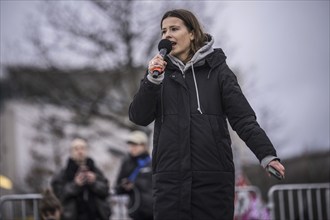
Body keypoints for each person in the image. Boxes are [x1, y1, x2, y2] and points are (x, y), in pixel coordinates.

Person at [128, 9, 286, 220]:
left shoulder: (218, 70)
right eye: (163, 31)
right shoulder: (157, 76)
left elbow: (243, 118)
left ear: (192, 33)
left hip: (212, 181)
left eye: (174, 29)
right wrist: (151, 81)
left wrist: (266, 155)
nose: (167, 35)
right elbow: (138, 117)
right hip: (170, 182)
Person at [51, 138, 111, 220]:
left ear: (87, 151)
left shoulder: (96, 171)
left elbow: (106, 190)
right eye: (76, 149)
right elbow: (59, 195)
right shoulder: (63, 174)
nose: (80, 152)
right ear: (71, 152)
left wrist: (93, 183)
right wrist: (75, 185)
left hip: (96, 216)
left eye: (82, 148)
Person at [115, 130, 153, 220]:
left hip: (154, 211)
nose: (132, 148)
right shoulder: (126, 163)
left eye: (135, 145)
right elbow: (117, 188)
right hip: (135, 212)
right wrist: (125, 186)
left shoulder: (153, 163)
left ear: (144, 145)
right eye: (130, 145)